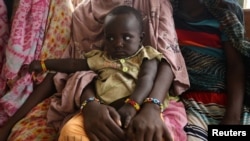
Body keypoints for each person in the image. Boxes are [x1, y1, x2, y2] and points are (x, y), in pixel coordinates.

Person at [0, 0, 190, 141]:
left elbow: (168, 61)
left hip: (151, 100)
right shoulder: (82, 14)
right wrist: (90, 105)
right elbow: (73, 68)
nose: (118, 44)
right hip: (96, 102)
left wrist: (151, 107)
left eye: (126, 37)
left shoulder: (154, 4)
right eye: (111, 38)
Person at [171, 0, 250, 140]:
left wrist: (233, 117)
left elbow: (236, 66)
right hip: (190, 101)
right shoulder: (167, 13)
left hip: (228, 100)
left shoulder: (225, 13)